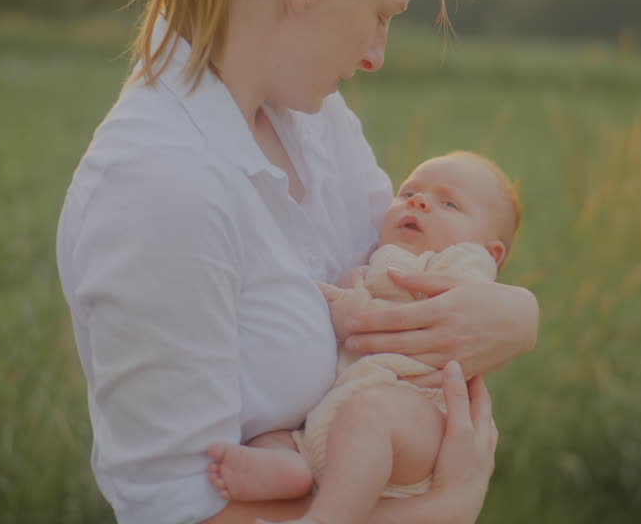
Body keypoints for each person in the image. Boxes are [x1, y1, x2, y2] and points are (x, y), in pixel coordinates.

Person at [55, 0, 539, 523]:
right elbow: (182, 510)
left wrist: (518, 313)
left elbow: (406, 263)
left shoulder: (312, 122)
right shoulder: (158, 187)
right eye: (381, 12)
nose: (377, 54)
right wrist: (444, 507)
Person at [205, 151, 522, 524]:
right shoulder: (375, 262)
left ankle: (325, 518)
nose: (419, 202)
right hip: (334, 425)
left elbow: (428, 319)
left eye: (448, 203)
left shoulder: (464, 268)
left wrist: (350, 308)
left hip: (416, 418)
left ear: (491, 252)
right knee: (275, 432)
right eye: (408, 194)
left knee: (371, 413)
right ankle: (289, 469)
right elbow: (344, 304)